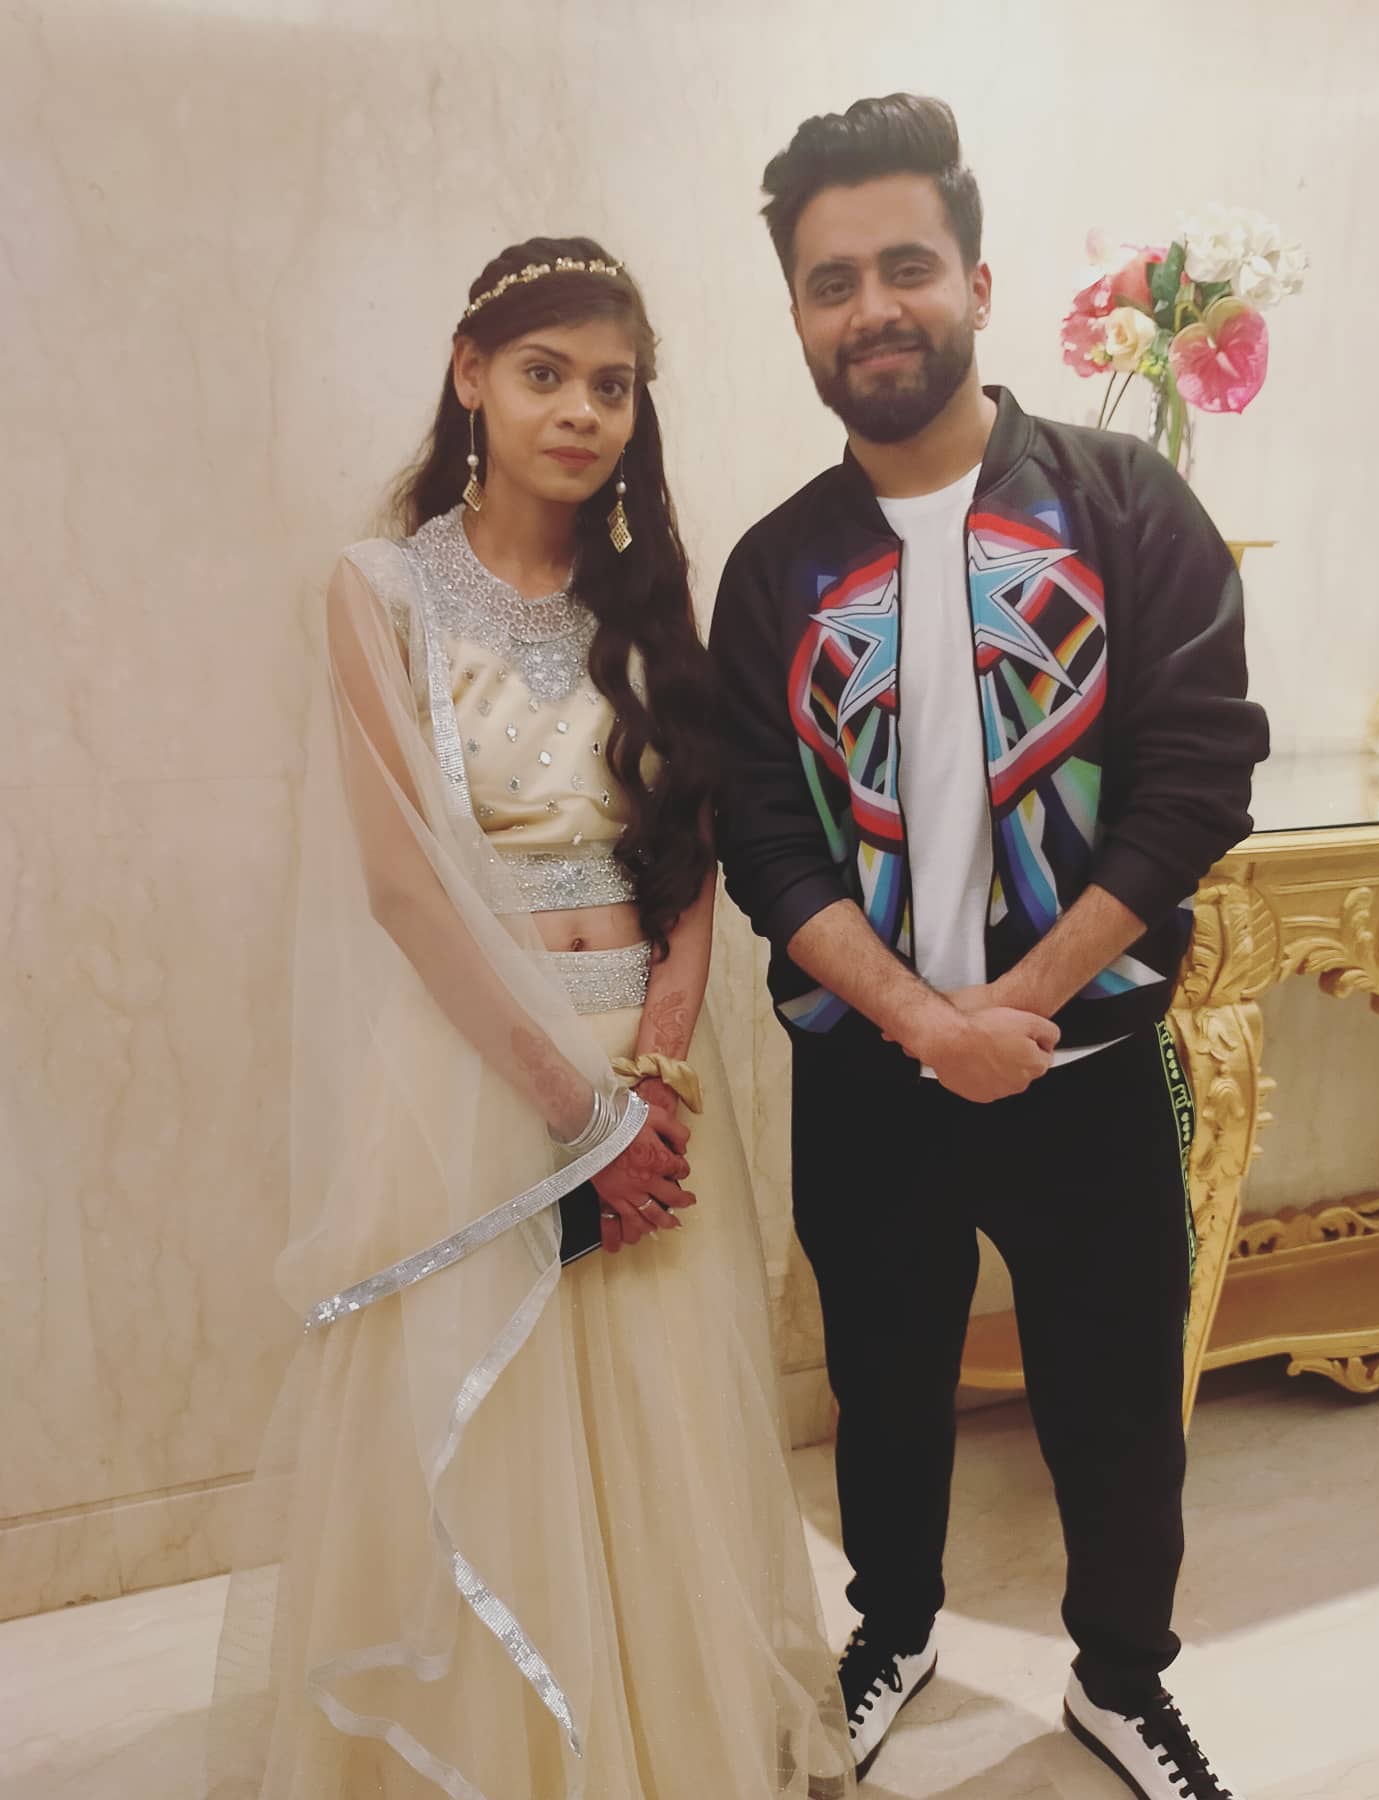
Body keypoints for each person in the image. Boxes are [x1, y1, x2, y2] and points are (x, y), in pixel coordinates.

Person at [205, 237, 852, 1799]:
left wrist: (659, 1065)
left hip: (649, 1073)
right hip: (481, 1077)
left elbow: (692, 844)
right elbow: (403, 887)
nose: (580, 413)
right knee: (491, 1433)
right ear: (470, 375)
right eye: (545, 374)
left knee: (655, 1429)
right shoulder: (381, 591)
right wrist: (582, 1118)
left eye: (611, 386)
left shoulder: (646, 594)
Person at [711, 97, 1269, 1798]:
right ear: (798, 315)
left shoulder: (1129, 504)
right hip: (864, 1073)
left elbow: (1198, 779)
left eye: (906, 266)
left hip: (1081, 1061)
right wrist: (918, 1023)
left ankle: (1121, 1680)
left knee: (1117, 1394)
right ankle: (893, 1629)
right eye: (831, 282)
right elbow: (763, 835)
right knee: (880, 1381)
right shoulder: (775, 567)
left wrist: (1011, 1010)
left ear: (977, 282)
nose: (873, 307)